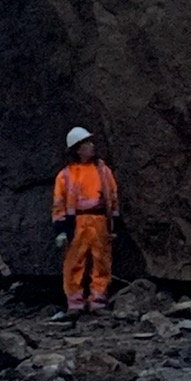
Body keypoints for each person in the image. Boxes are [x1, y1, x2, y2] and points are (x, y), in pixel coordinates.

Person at [52, 127, 119, 314]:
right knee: (74, 262)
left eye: (90, 142)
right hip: (77, 222)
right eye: (86, 143)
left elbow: (113, 198)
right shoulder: (66, 175)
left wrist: (113, 223)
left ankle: (98, 300)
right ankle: (75, 303)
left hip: (99, 220)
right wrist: (60, 229)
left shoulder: (103, 171)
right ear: (77, 149)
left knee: (102, 261)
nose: (91, 146)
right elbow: (59, 203)